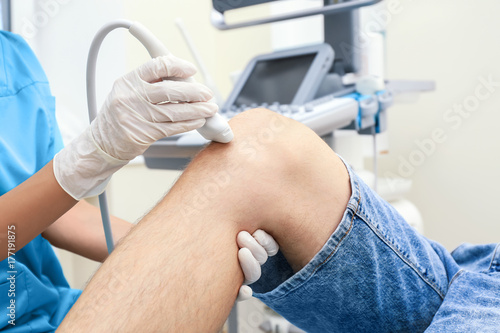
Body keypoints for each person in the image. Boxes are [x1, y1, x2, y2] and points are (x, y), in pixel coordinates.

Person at [0, 30, 276, 331]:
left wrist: (179, 256)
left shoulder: (13, 56)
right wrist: (85, 160)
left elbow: (55, 215)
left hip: (49, 309)